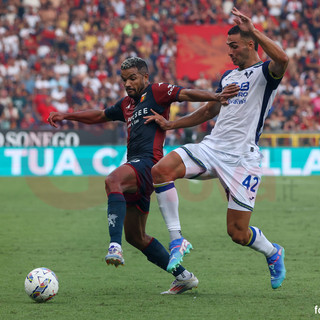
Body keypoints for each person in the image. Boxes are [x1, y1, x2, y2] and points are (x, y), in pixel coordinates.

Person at [47, 57, 239, 294]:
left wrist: (216, 96)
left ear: (145, 77)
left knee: (112, 180)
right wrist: (67, 116)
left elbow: (186, 94)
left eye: (133, 78)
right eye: (124, 79)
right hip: (136, 168)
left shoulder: (157, 92)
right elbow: (100, 115)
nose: (127, 83)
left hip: (150, 164)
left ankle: (114, 246)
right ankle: (183, 277)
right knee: (136, 236)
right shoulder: (126, 104)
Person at [145, 8, 289, 290]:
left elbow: (283, 58)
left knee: (237, 232)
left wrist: (254, 28)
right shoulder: (228, 77)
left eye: (234, 47)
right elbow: (210, 109)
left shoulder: (265, 73)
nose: (230, 53)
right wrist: (171, 125)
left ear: (250, 44)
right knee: (161, 171)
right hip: (212, 148)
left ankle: (273, 252)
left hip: (242, 159)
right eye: (228, 47)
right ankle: (177, 239)